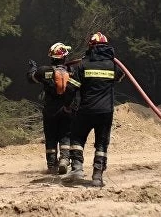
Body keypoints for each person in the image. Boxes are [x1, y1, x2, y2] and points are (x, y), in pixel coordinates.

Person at [64, 32, 124, 187]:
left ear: (90, 47)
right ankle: (97, 175)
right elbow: (121, 75)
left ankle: (77, 168)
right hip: (106, 112)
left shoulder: (83, 65)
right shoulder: (112, 65)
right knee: (102, 143)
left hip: (86, 110)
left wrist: (67, 105)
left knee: (77, 138)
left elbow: (71, 88)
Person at [27, 42, 80, 174]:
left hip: (50, 109)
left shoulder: (45, 71)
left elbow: (31, 78)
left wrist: (33, 68)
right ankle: (64, 159)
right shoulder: (72, 72)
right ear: (64, 57)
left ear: (51, 57)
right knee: (66, 134)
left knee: (50, 137)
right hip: (67, 108)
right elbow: (77, 88)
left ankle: (51, 165)